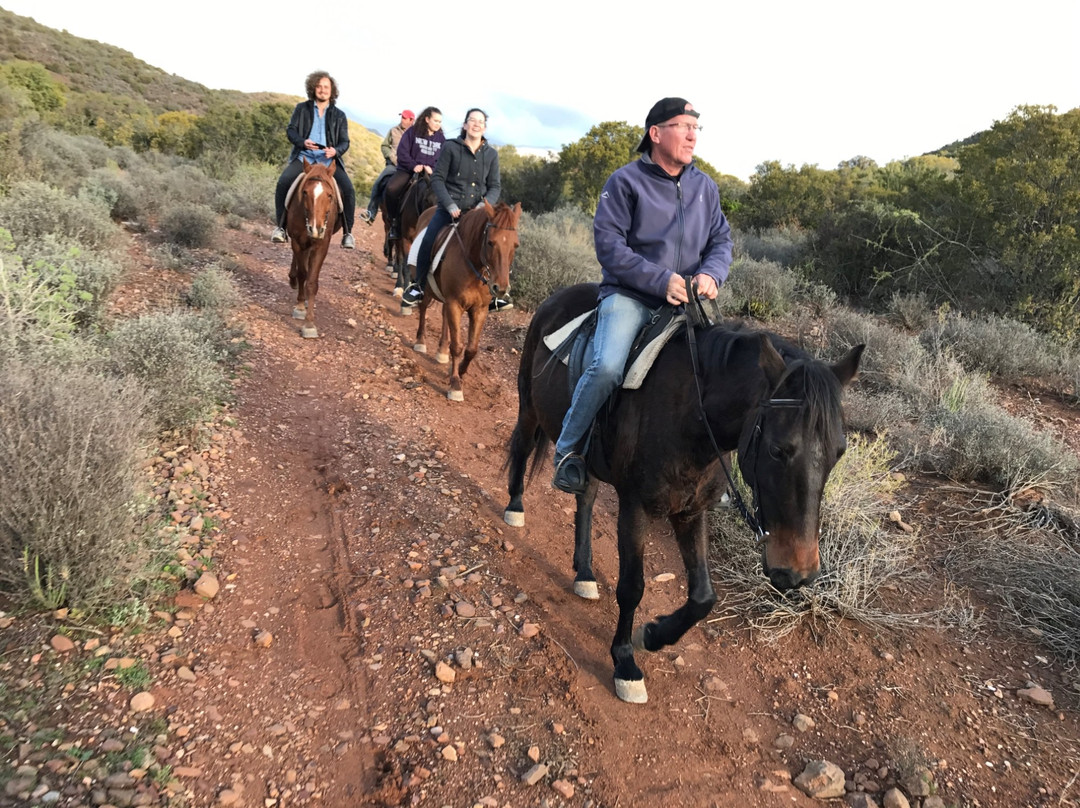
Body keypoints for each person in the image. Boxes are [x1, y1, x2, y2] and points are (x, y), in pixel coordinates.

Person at [551, 97, 733, 495]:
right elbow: (609, 246)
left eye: (696, 128)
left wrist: (711, 274)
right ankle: (568, 451)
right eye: (684, 126)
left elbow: (721, 240)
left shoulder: (705, 187)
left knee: (723, 371)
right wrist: (660, 280)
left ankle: (712, 477)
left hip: (689, 298)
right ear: (656, 133)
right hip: (630, 295)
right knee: (607, 367)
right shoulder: (625, 181)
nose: (692, 135)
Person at [401, 108, 509, 311]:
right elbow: (438, 179)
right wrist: (449, 204)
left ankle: (498, 293)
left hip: (478, 214)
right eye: (472, 120)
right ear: (465, 125)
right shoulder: (450, 147)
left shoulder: (491, 155)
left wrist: (482, 206)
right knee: (428, 239)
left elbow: (495, 186)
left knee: (501, 244)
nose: (476, 124)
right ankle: (418, 286)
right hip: (449, 210)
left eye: (480, 122)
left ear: (485, 128)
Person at [271, 71, 357, 249]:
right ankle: (280, 227)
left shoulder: (339, 115)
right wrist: (302, 142)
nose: (322, 90)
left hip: (328, 162)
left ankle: (348, 233)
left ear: (332, 91)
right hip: (305, 159)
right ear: (313, 88)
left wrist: (335, 151)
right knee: (283, 182)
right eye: (319, 86)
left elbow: (345, 142)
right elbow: (291, 131)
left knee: (348, 190)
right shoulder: (301, 109)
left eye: (326, 87)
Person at [382, 106, 445, 238]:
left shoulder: (441, 138)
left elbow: (443, 159)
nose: (438, 124)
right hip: (408, 170)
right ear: (427, 119)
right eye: (435, 121)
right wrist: (413, 165)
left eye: (440, 122)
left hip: (431, 174)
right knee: (392, 188)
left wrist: (433, 168)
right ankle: (393, 222)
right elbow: (402, 152)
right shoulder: (412, 132)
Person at [359, 109, 414, 225]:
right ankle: (371, 213)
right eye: (402, 117)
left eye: (405, 118)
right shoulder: (393, 130)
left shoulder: (415, 134)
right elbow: (384, 146)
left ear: (411, 120)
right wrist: (391, 156)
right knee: (378, 183)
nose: (402, 120)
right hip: (393, 166)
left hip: (410, 167)